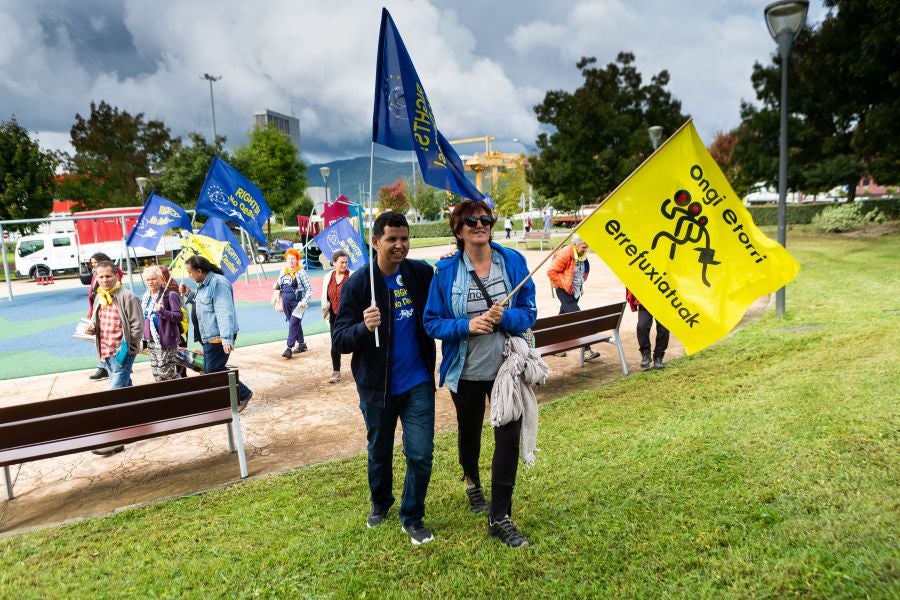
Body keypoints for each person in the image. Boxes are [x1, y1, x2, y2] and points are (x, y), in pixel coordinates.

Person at [423, 199, 537, 549]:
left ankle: (500, 517)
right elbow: (432, 322)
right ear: (458, 230)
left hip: (506, 370)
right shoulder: (445, 272)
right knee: (469, 432)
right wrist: (466, 326)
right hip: (466, 371)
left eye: (485, 219)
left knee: (508, 439)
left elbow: (529, 313)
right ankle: (472, 481)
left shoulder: (512, 262)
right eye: (471, 221)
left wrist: (506, 318)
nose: (480, 225)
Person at [332, 212, 437, 546]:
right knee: (379, 450)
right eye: (392, 239)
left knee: (420, 453)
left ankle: (412, 516)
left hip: (418, 382)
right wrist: (364, 327)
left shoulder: (420, 274)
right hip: (377, 387)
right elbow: (339, 339)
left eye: (404, 238)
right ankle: (380, 501)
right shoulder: (359, 285)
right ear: (376, 241)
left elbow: (445, 293)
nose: (399, 245)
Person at [83, 261, 143, 456]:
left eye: (108, 276)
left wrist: (129, 350)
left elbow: (137, 326)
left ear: (116, 276)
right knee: (125, 391)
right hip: (105, 352)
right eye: (100, 277)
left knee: (112, 398)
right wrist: (92, 328)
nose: (104, 280)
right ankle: (136, 425)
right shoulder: (100, 296)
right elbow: (97, 321)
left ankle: (112, 440)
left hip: (121, 353)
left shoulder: (128, 297)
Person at [180, 255, 253, 405]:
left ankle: (243, 393)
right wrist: (189, 294)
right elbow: (204, 303)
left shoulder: (218, 283)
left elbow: (224, 312)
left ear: (199, 271)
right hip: (208, 335)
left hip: (218, 336)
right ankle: (233, 396)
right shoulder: (203, 283)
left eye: (190, 272)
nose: (189, 275)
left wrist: (226, 338)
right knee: (212, 368)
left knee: (213, 370)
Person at [546, 235, 601, 361]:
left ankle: (554, 346)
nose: (585, 249)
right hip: (563, 290)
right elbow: (551, 272)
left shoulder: (581, 253)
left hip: (575, 290)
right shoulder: (564, 254)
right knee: (578, 318)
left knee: (563, 318)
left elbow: (585, 267)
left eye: (586, 247)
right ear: (575, 244)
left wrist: (581, 280)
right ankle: (586, 351)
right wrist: (565, 285)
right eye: (583, 247)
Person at [85, 252, 123, 381]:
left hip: (119, 347)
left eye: (96, 263)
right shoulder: (97, 277)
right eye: (92, 264)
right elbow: (93, 292)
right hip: (100, 305)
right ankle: (104, 367)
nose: (94, 265)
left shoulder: (124, 296)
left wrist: (129, 349)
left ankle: (104, 368)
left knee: (117, 382)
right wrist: (92, 310)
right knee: (122, 380)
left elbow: (135, 325)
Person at [141, 265, 182, 382]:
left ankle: (182, 387)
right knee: (157, 374)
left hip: (166, 340)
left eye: (153, 279)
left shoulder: (170, 295)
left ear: (160, 278)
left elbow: (178, 316)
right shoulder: (146, 297)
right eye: (148, 279)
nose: (151, 282)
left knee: (166, 373)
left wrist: (162, 311)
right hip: (151, 340)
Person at [320, 250, 352, 383]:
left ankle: (360, 368)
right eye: (341, 262)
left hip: (350, 315)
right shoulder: (328, 276)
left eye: (346, 262)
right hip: (334, 315)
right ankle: (336, 371)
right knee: (335, 343)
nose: (344, 265)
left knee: (355, 341)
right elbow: (325, 295)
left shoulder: (352, 276)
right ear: (334, 263)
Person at [274, 248, 312, 359]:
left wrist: (305, 301)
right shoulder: (283, 271)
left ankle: (289, 348)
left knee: (293, 323)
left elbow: (309, 289)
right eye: (289, 258)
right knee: (294, 323)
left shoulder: (301, 272)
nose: (291, 261)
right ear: (286, 259)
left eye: (293, 259)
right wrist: (276, 295)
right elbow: (278, 285)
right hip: (286, 302)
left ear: (297, 260)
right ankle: (302, 344)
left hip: (299, 303)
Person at [626, 288, 669, 369]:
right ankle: (646, 354)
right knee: (642, 326)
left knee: (663, 328)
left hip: (662, 299)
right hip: (645, 299)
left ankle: (658, 356)